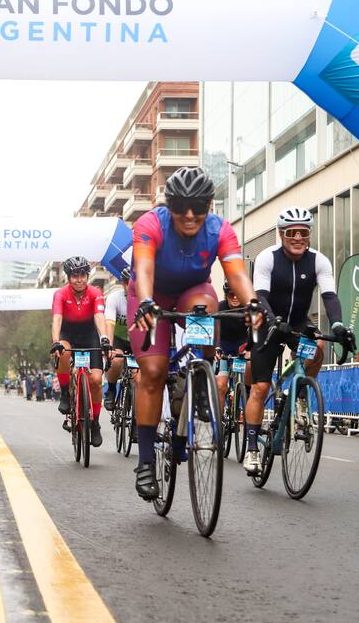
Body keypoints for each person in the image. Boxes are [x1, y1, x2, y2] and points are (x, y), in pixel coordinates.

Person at [129, 166, 260, 499]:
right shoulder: (150, 224)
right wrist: (145, 301)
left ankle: (198, 381)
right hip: (151, 296)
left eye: (198, 207)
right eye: (180, 207)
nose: (189, 215)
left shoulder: (220, 229)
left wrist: (255, 305)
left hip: (192, 291)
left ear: (210, 205)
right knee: (154, 371)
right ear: (168, 205)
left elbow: (237, 274)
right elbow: (143, 268)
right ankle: (145, 462)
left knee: (207, 305)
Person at [244, 206, 355, 473]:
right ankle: (251, 448)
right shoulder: (266, 257)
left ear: (310, 235)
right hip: (268, 321)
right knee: (259, 388)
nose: (298, 238)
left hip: (296, 322)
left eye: (303, 233)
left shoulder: (319, 260)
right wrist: (272, 320)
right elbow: (260, 295)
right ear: (281, 234)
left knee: (317, 345)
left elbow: (329, 296)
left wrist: (338, 325)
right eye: (292, 232)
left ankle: (302, 391)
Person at [50, 256, 110, 447]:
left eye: (83, 275)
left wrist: (104, 339)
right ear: (69, 277)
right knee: (64, 352)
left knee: (96, 380)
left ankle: (95, 423)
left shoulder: (96, 292)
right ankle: (66, 393)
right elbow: (57, 318)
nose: (79, 279)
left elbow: (99, 316)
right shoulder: (60, 294)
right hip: (68, 333)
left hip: (89, 334)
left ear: (87, 275)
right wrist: (56, 341)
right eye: (75, 276)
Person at [213, 279, 249, 414]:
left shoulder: (248, 309)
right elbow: (215, 329)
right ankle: (219, 425)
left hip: (242, 347)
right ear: (226, 295)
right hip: (223, 347)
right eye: (230, 294)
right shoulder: (220, 307)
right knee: (221, 385)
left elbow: (254, 330)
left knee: (247, 385)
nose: (234, 298)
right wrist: (216, 348)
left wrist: (250, 348)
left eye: (237, 294)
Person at [102, 267, 132, 413]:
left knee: (139, 377)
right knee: (117, 360)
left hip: (137, 340)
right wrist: (110, 348)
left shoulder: (145, 299)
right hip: (119, 339)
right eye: (127, 282)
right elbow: (110, 323)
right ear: (123, 284)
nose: (130, 286)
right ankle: (112, 389)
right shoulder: (115, 298)